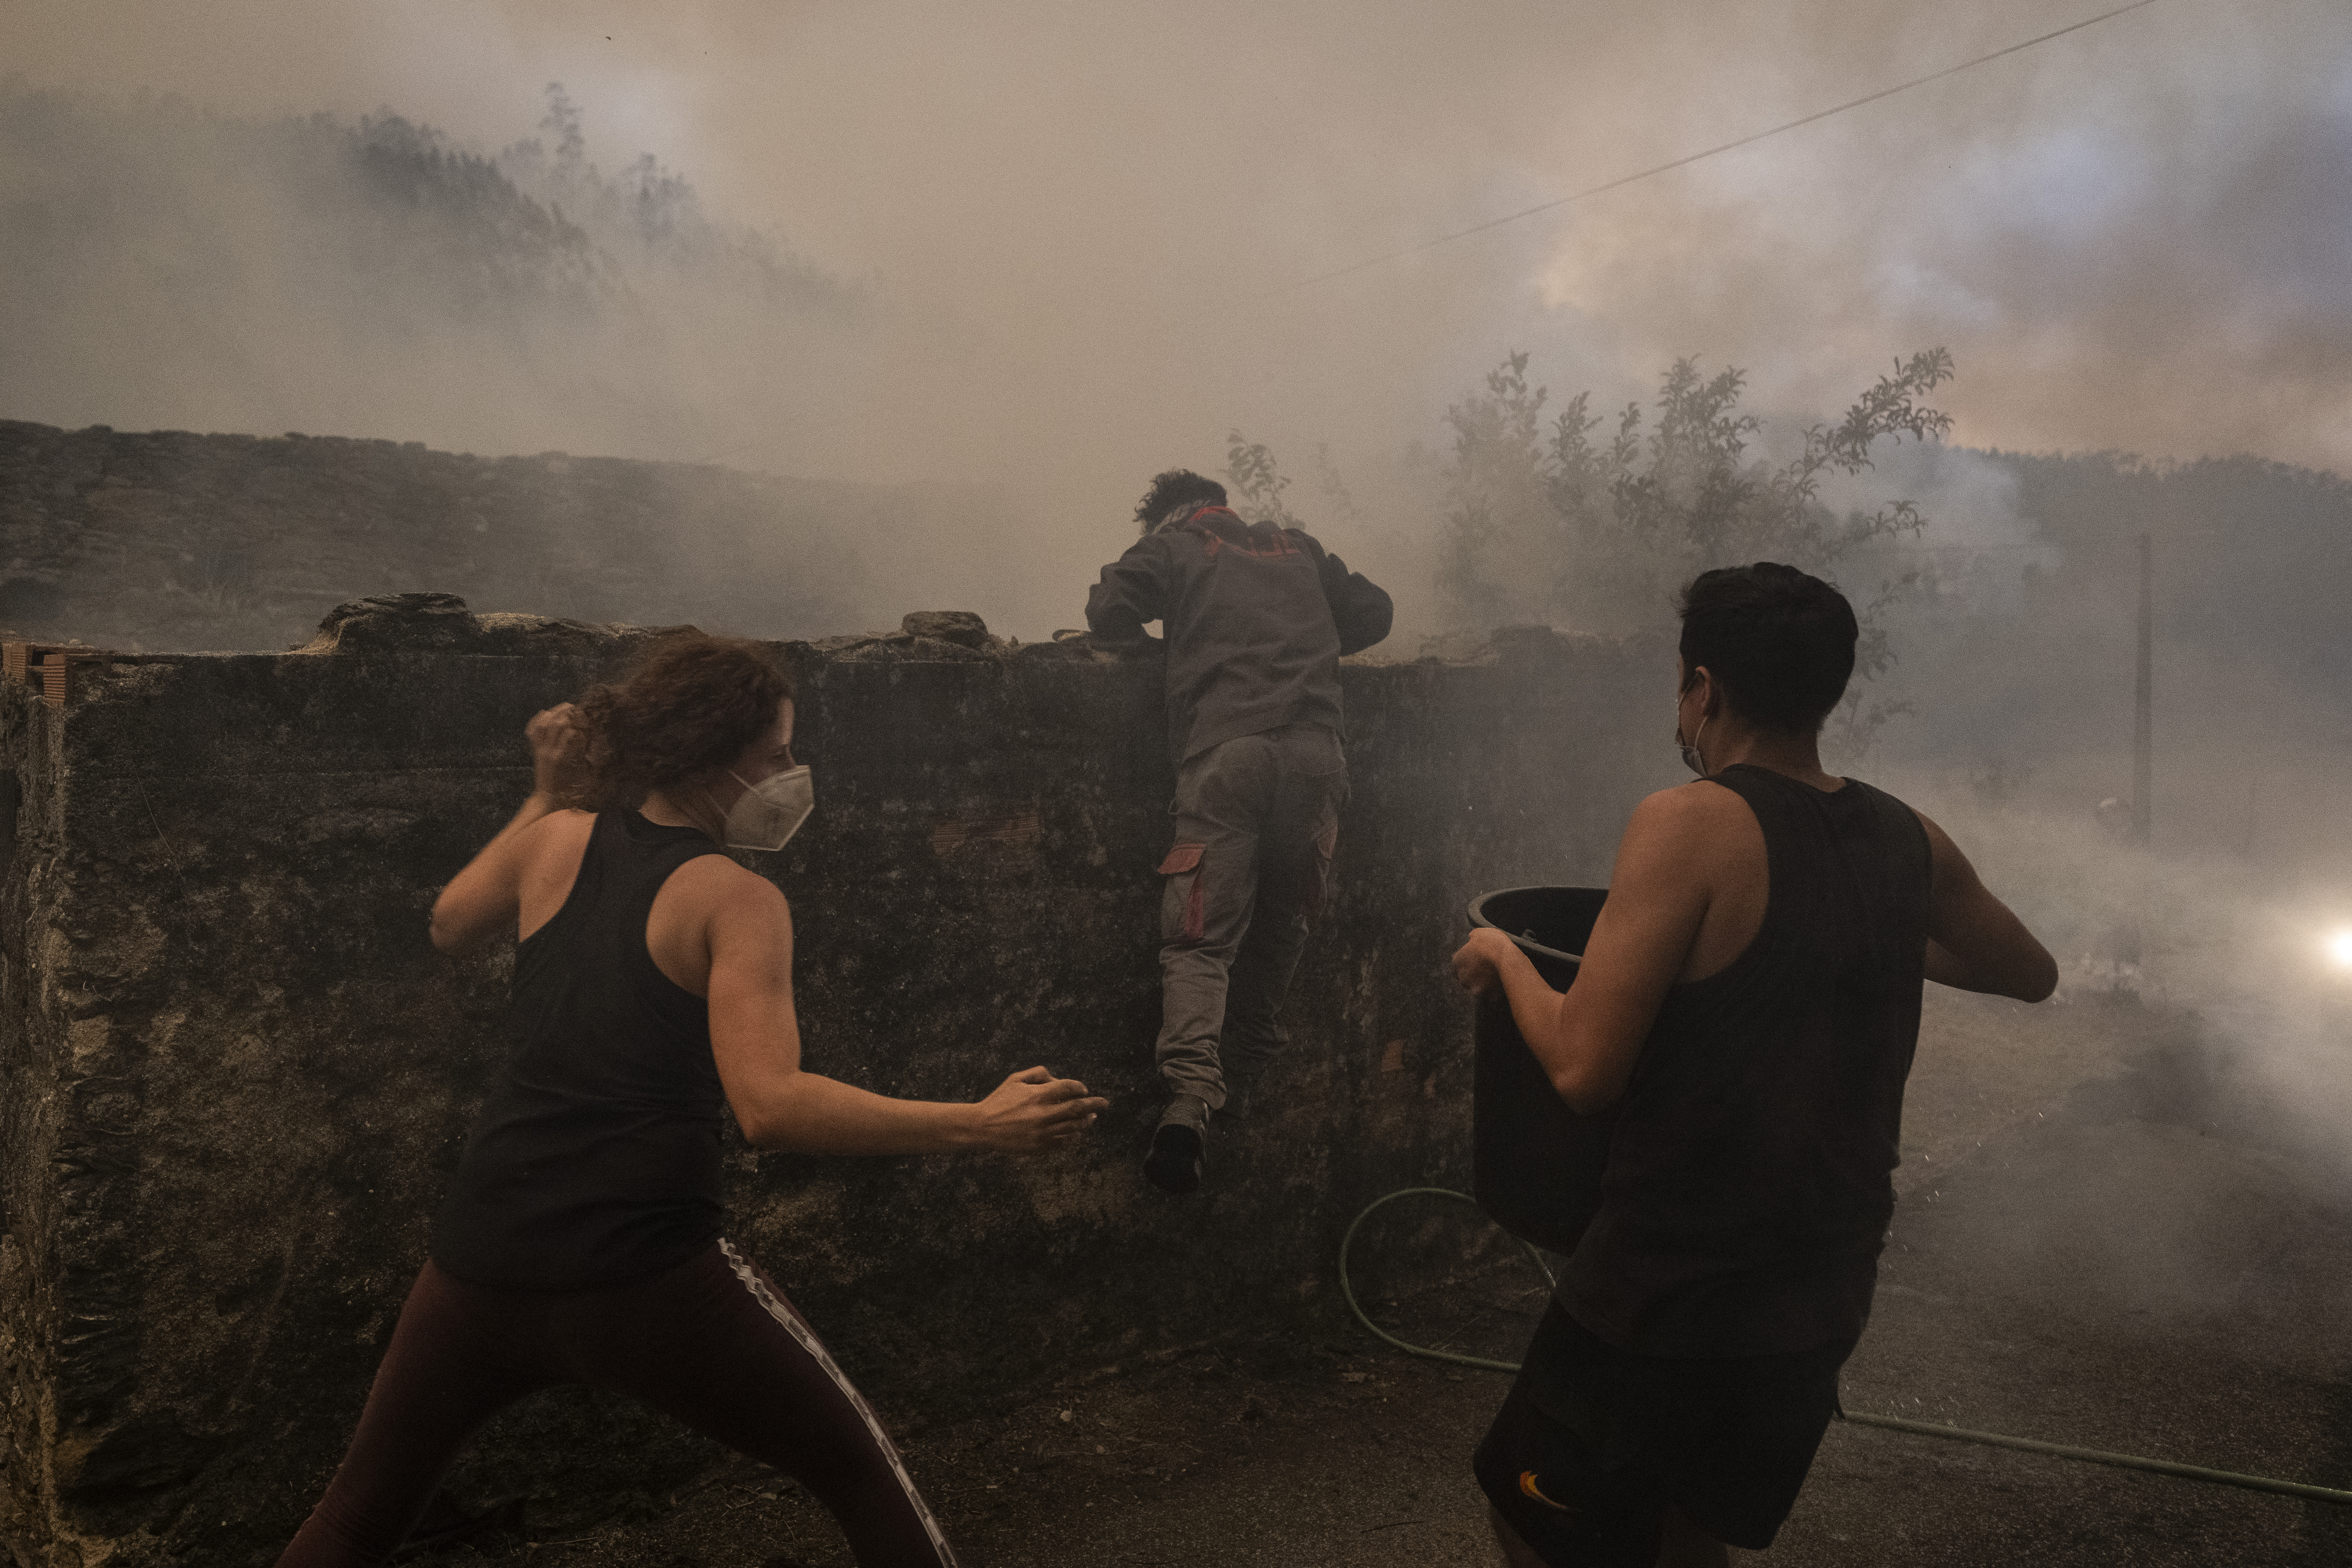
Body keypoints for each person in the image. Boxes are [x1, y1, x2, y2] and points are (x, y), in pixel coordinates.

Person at [278, 633, 1107, 1568]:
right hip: (644, 1273)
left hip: (482, 1257)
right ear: (714, 759)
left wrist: (548, 792)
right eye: (778, 754)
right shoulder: (734, 898)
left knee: (356, 1516)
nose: (795, 773)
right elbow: (771, 1106)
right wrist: (980, 1122)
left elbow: (447, 922)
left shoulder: (553, 840)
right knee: (866, 1479)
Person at [1451, 563, 2056, 1568]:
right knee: (1688, 1532)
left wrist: (1503, 956)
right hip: (1818, 1293)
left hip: (1668, 1290)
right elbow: (2025, 971)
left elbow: (1583, 1068)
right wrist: (1845, 924)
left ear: (1703, 687)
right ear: (1829, 687)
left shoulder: (1688, 820)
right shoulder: (1910, 838)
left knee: (1534, 1521)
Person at [1086, 468, 1393, 1193]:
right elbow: (1374, 614)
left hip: (1227, 756)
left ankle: (1192, 1100)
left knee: (1199, 939)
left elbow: (1108, 611)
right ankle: (1247, 1075)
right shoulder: (1300, 549)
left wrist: (1187, 638)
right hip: (1317, 756)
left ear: (1169, 517)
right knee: (1284, 919)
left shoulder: (1175, 547)